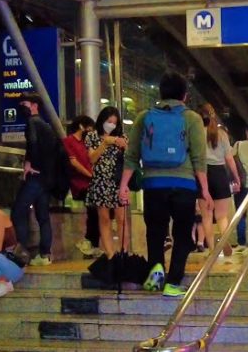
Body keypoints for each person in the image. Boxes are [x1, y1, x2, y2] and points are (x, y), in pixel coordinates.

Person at [123, 71, 209, 298]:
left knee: (156, 232)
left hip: (153, 184)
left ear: (161, 93)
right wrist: (205, 191)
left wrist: (123, 186)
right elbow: (200, 159)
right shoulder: (192, 118)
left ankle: (157, 269)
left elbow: (131, 156)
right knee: (182, 235)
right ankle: (173, 282)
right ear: (185, 95)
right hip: (184, 185)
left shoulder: (144, 116)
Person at [12, 93, 58, 267]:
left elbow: (32, 143)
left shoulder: (32, 122)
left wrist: (28, 164)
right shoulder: (46, 126)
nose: (22, 106)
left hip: (36, 176)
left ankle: (21, 253)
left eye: (24, 103)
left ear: (34, 105)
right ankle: (45, 254)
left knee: (18, 210)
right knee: (43, 216)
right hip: (47, 178)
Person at [199, 103, 242, 258]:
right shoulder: (222, 134)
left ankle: (211, 249)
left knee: (206, 215)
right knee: (222, 216)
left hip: (203, 174)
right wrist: (237, 177)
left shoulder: (197, 133)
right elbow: (229, 158)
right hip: (219, 173)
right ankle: (224, 241)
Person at [86, 107, 130, 256]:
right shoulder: (92, 136)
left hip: (118, 182)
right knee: (104, 218)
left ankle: (123, 251)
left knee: (121, 219)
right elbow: (92, 159)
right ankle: (110, 254)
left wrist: (122, 144)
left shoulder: (122, 137)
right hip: (100, 182)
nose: (111, 125)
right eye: (108, 121)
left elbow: (129, 160)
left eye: (114, 122)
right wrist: (104, 143)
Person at [63, 115, 100, 259]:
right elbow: (74, 163)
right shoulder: (69, 142)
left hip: (92, 182)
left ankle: (92, 244)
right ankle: (90, 242)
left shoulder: (87, 142)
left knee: (96, 210)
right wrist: (90, 175)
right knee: (93, 209)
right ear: (81, 126)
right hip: (80, 183)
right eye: (90, 128)